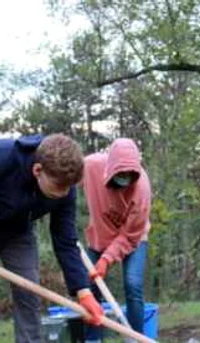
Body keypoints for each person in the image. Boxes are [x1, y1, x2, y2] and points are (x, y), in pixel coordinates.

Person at [0, 134, 104, 343]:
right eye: (58, 188)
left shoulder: (65, 185)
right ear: (37, 170)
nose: (63, 194)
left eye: (68, 188)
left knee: (28, 292)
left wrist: (83, 292)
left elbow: (65, 240)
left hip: (17, 232)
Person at [81, 138, 152, 342]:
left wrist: (106, 259)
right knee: (90, 286)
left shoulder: (142, 190)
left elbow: (130, 235)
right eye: (120, 175)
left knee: (133, 285)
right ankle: (93, 338)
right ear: (110, 169)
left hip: (132, 237)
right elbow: (66, 176)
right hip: (99, 235)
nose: (125, 180)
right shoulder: (91, 166)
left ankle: (135, 338)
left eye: (129, 176)